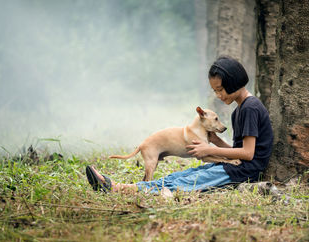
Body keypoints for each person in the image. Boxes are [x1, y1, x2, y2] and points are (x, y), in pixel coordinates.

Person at [86, 56, 273, 194]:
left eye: (220, 90)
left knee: (186, 182)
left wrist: (208, 150)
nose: (218, 95)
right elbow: (238, 150)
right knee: (180, 176)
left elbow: (248, 154)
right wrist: (215, 142)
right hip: (236, 166)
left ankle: (116, 188)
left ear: (233, 82)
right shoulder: (239, 110)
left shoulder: (250, 108)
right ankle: (120, 187)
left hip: (244, 171)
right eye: (215, 90)